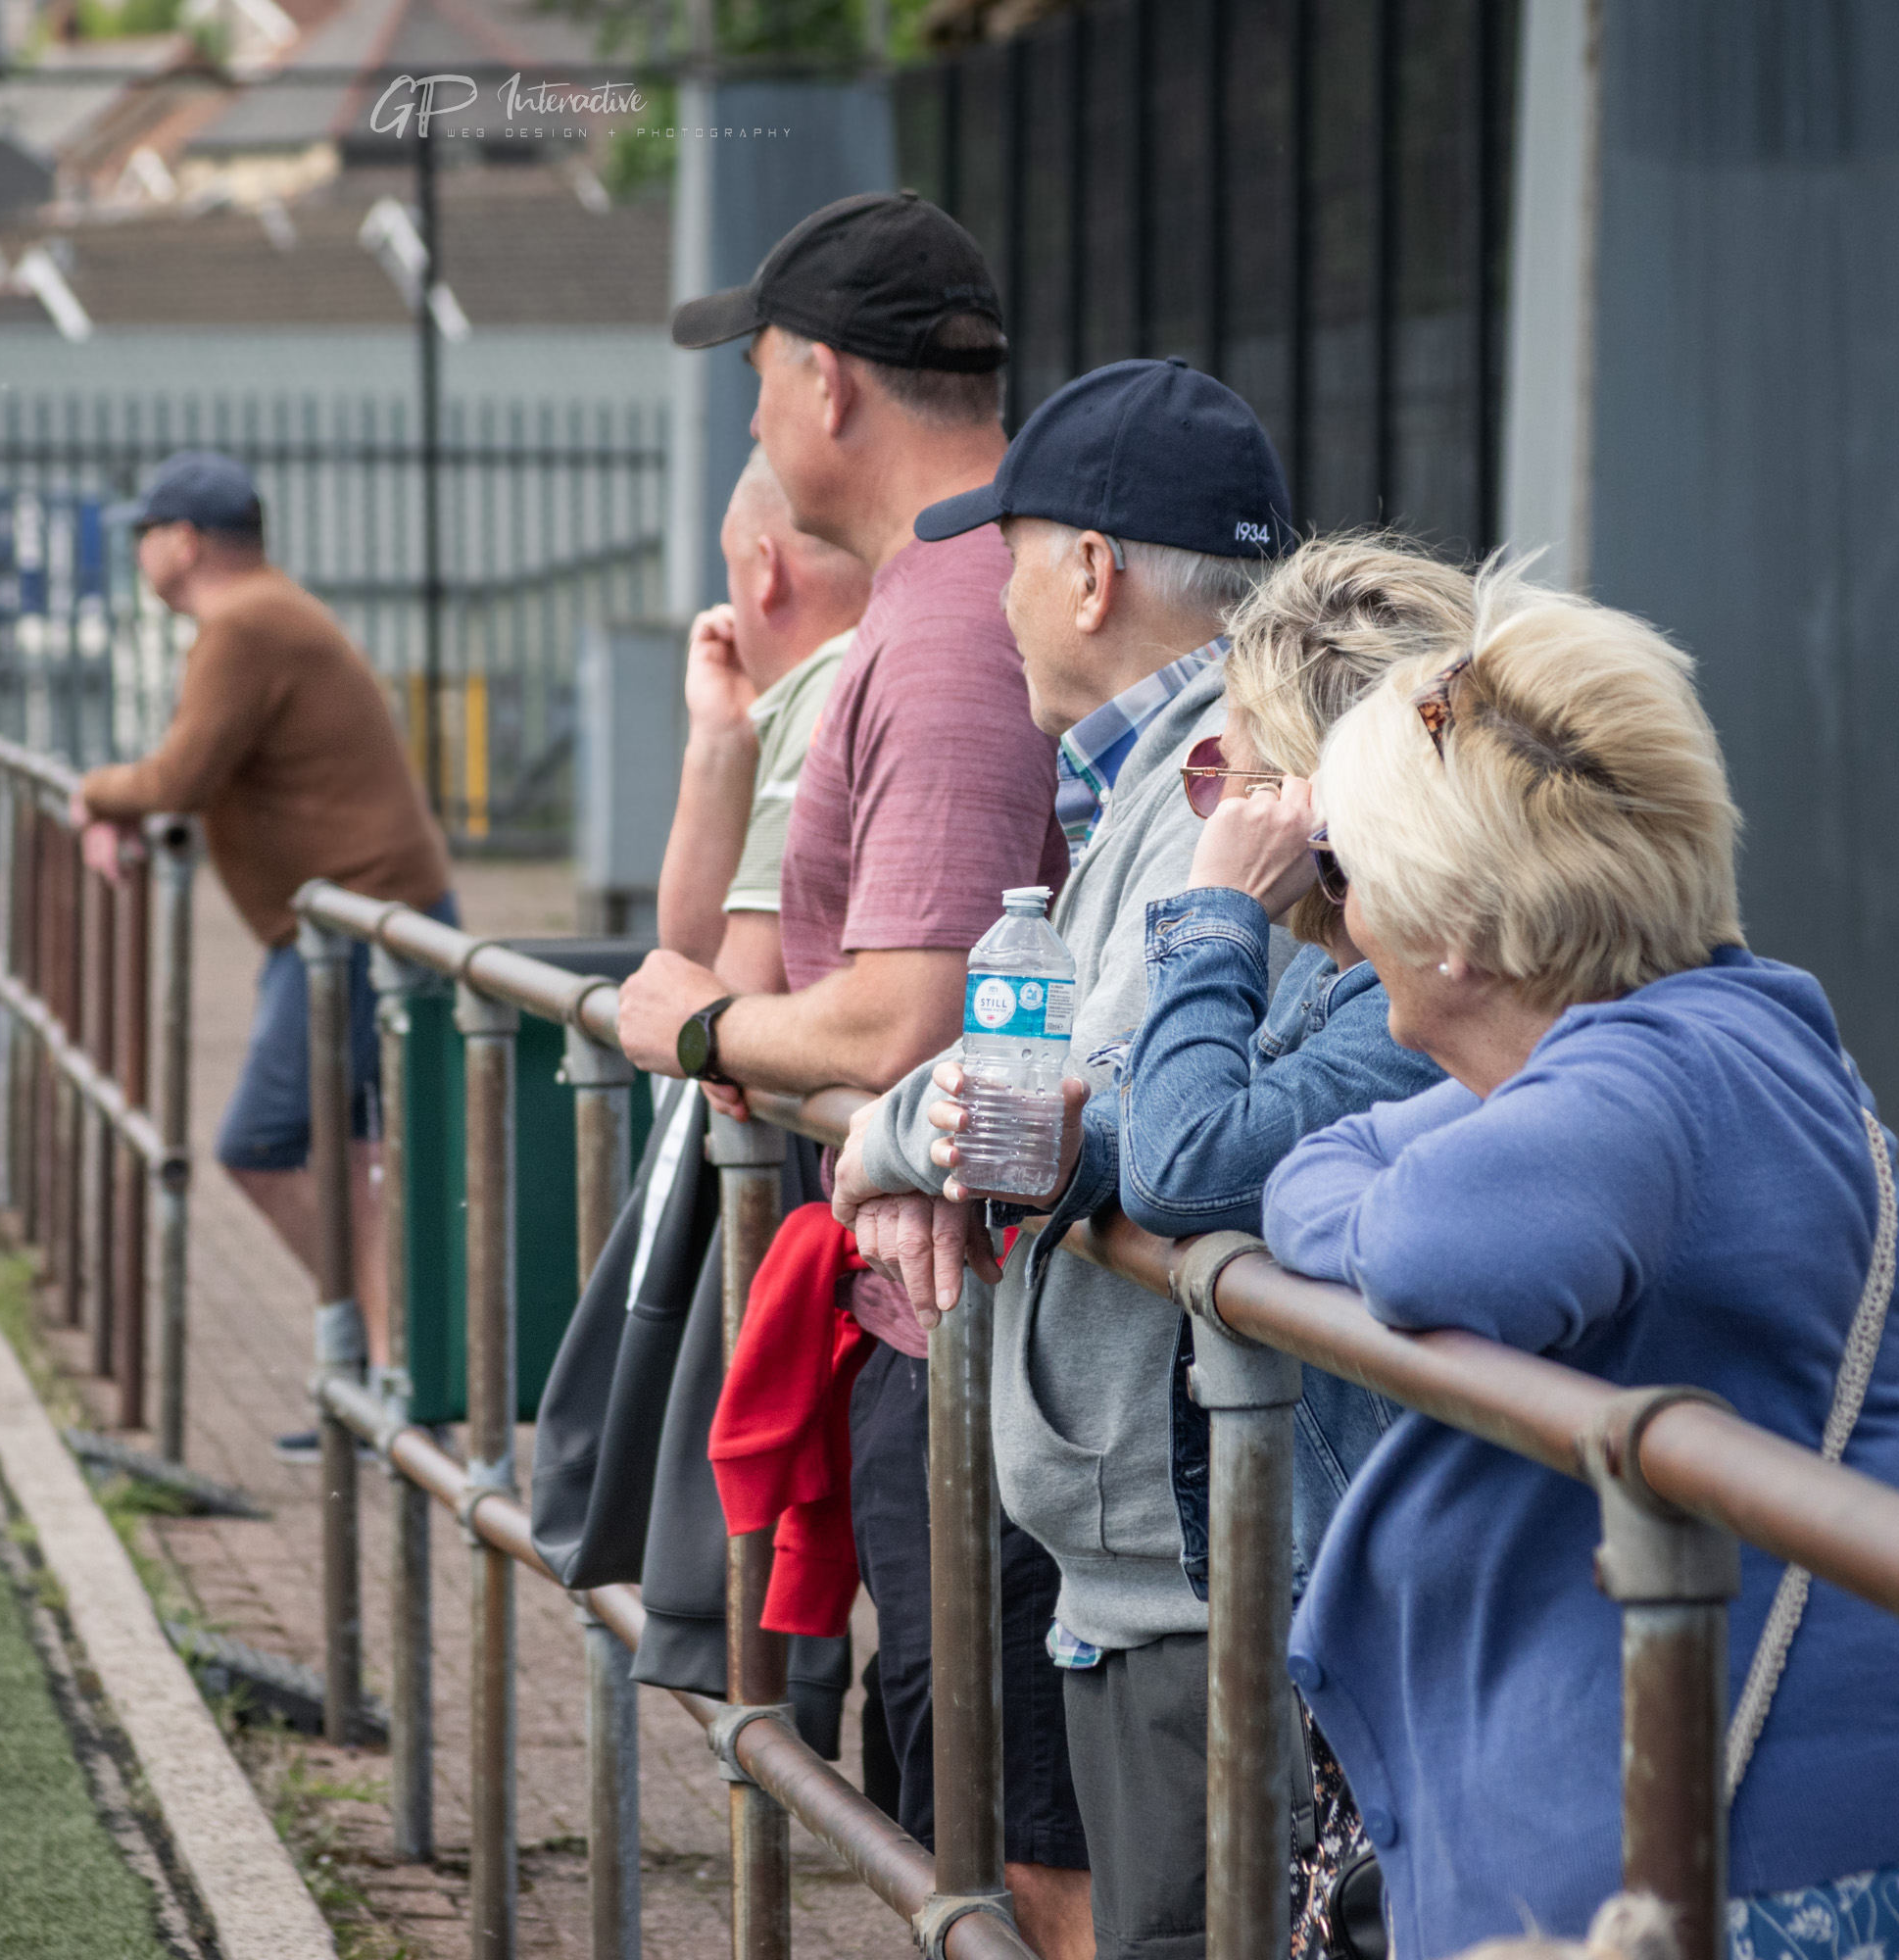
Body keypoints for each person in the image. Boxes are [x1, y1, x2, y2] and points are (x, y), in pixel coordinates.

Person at [1260, 577, 1899, 1959]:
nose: (1343, 917)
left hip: (1761, 1882)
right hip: (1813, 1846)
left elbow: (1408, 1232)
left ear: (1452, 927)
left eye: (1343, 874)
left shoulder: (1637, 1089)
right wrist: (1369, 1189)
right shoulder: (1704, 1038)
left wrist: (1365, 1206)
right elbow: (1330, 1166)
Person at [615, 191, 1091, 1955]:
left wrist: (699, 1029)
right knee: (967, 1824)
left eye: (757, 376)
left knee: (1018, 1853)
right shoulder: (957, 589)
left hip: (988, 1336)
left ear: (825, 383)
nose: (750, 413)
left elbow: (904, 1018)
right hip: (961, 1318)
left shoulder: (956, 619)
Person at [827, 356, 1294, 1960]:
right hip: (1155, 1545)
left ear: (1089, 571)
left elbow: (1077, 1101)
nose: (998, 600)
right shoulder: (1158, 775)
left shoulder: (1218, 776)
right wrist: (930, 1140)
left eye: (1008, 555)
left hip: (1193, 1555)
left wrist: (888, 1141)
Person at [847, 535, 1468, 1605]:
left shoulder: (1408, 1009)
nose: (1213, 812)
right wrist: (1064, 1154)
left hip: (1322, 1596)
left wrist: (1216, 905)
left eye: (1236, 778)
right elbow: (1181, 1119)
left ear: (1319, 803)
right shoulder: (1348, 982)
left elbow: (1188, 1164)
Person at [65, 449, 455, 1452]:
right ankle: (391, 1379)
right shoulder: (265, 613)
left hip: (355, 928)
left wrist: (92, 794)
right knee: (353, 1155)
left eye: (146, 534)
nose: (140, 554)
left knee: (262, 1144)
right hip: (353, 920)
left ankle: (403, 1361)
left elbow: (178, 777)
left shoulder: (244, 625)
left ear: (184, 542)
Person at [653, 446, 872, 996]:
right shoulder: (873, 664)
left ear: (767, 573)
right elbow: (701, 965)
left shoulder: (830, 684)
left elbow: (727, 998)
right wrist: (723, 737)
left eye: (733, 572)